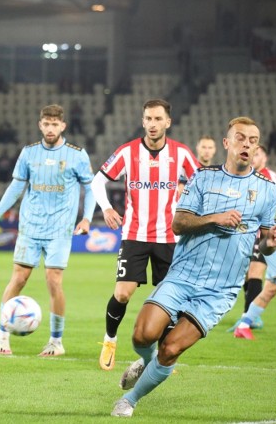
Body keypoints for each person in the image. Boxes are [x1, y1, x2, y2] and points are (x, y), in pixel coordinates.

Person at [111, 116, 276, 418]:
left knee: (171, 349)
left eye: (252, 140)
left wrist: (273, 242)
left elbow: (266, 243)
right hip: (183, 276)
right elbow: (179, 223)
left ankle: (130, 400)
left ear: (257, 148)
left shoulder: (268, 191)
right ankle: (144, 361)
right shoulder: (203, 178)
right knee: (142, 335)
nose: (246, 144)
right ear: (226, 143)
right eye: (240, 138)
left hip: (220, 289)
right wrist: (213, 218)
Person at [91, 99, 200, 371]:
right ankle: (109, 340)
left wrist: (190, 203)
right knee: (123, 293)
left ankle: (162, 357)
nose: (152, 124)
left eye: (157, 119)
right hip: (135, 234)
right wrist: (105, 208)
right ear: (143, 121)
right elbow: (98, 180)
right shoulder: (127, 152)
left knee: (171, 299)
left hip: (170, 238)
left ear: (168, 122)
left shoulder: (181, 153)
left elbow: (203, 183)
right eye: (148, 119)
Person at [0, 104, 96, 357]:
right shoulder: (29, 153)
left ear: (63, 126)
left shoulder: (77, 155)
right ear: (40, 125)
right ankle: (2, 334)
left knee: (54, 281)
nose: (50, 128)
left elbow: (91, 189)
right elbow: (15, 187)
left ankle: (56, 341)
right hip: (30, 226)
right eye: (46, 123)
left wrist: (87, 218)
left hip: (60, 230)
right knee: (19, 279)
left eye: (55, 124)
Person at [229, 144, 276, 334]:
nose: (253, 157)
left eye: (258, 154)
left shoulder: (270, 177)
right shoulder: (246, 177)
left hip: (265, 235)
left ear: (265, 158)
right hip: (247, 234)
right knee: (249, 276)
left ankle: (247, 319)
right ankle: (250, 317)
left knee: (255, 273)